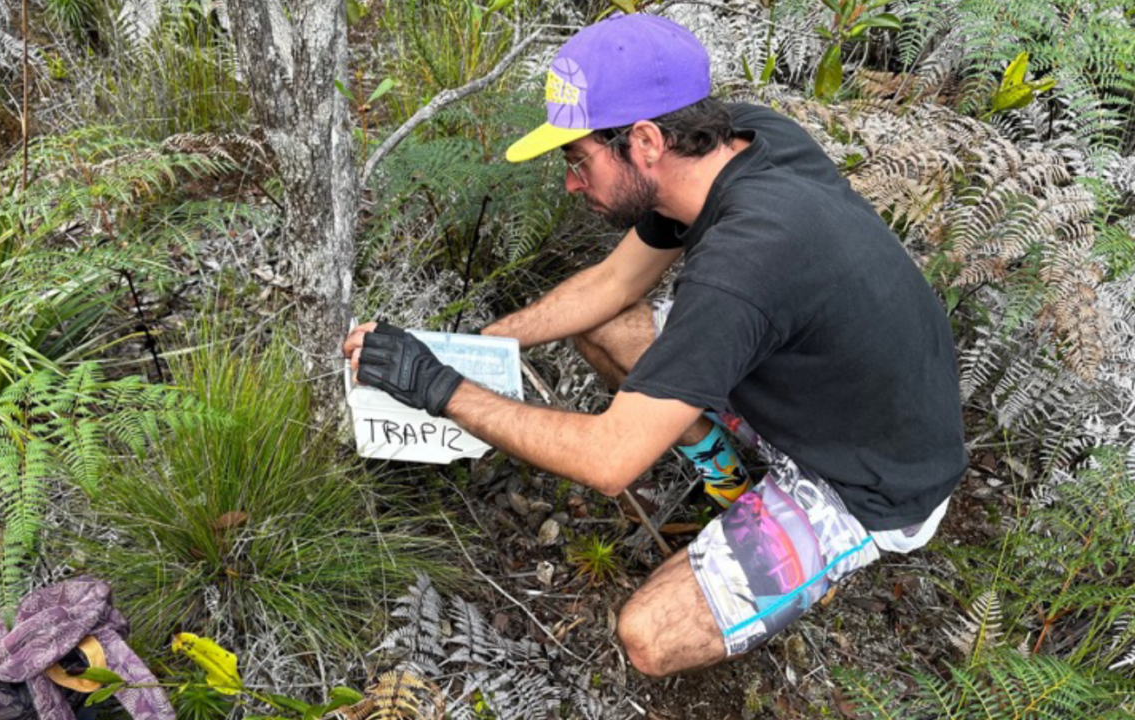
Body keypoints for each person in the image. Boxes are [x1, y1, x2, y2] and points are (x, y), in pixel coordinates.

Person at [343, 13, 966, 676]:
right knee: (609, 328)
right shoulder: (741, 143)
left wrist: (441, 389)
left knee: (648, 635)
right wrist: (478, 345)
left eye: (578, 159)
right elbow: (612, 286)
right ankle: (736, 483)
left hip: (868, 480)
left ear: (643, 141)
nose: (570, 183)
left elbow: (608, 461)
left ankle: (811, 546)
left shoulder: (746, 266)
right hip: (810, 388)